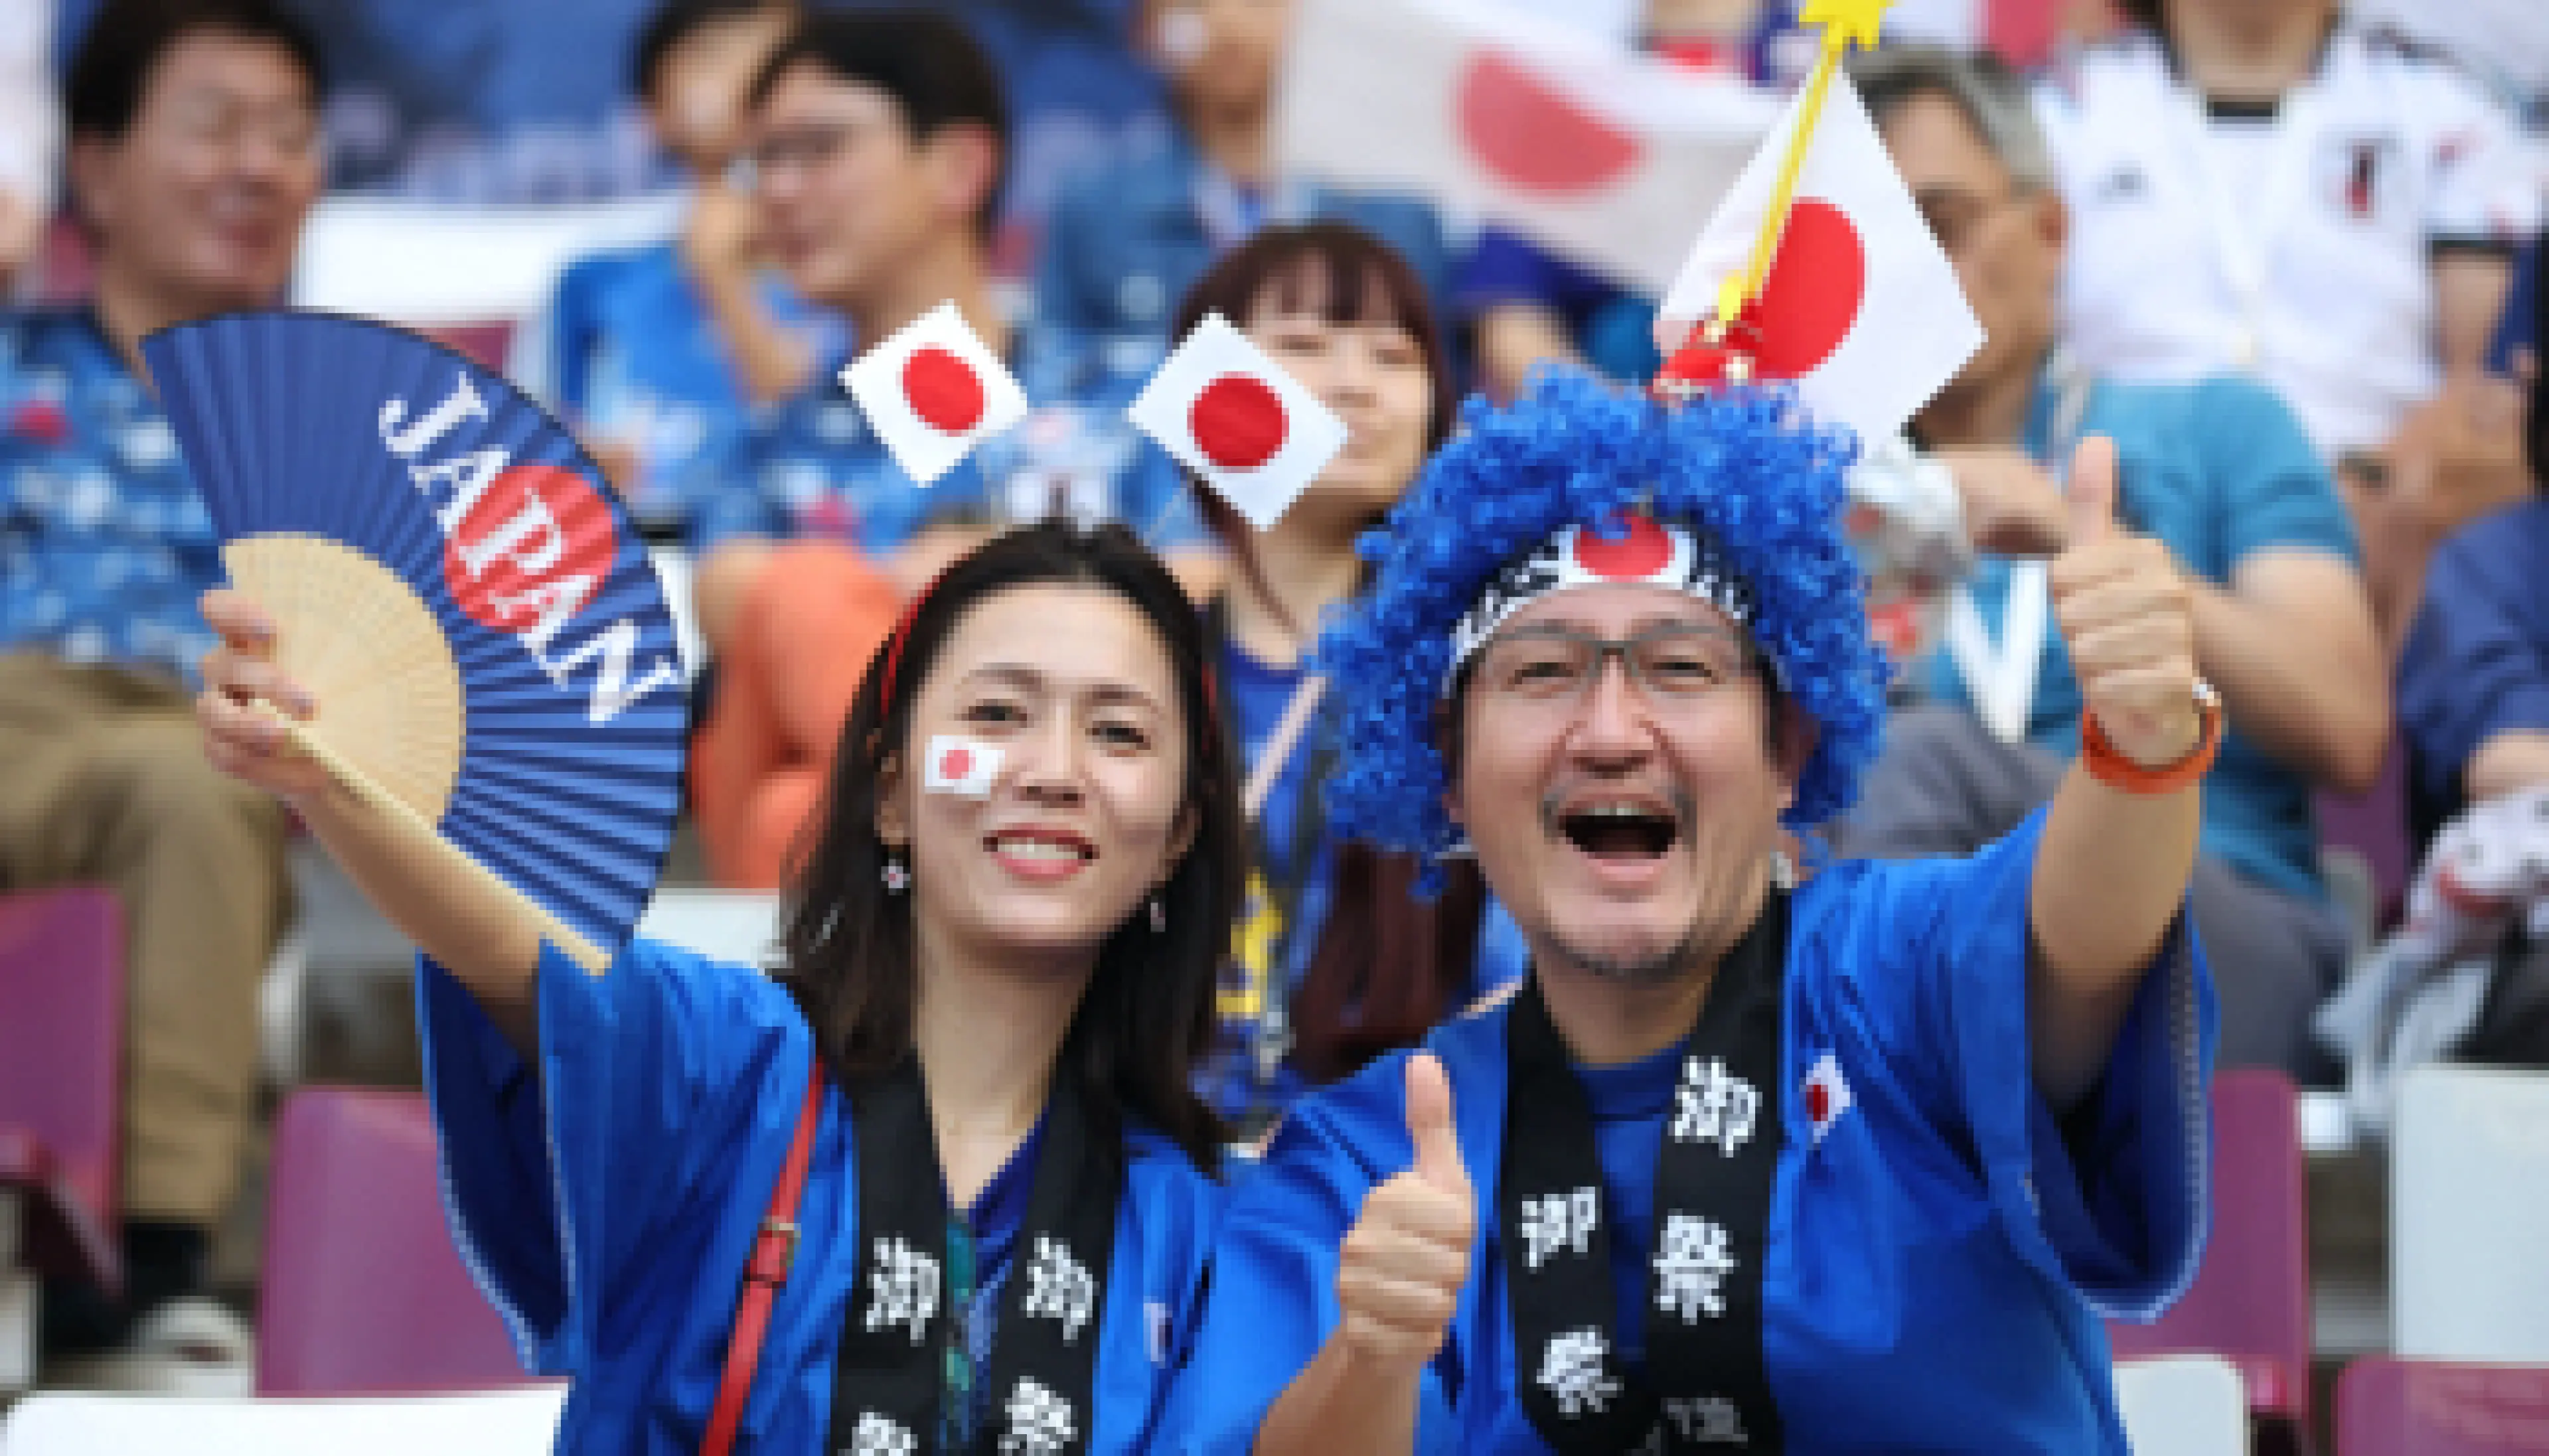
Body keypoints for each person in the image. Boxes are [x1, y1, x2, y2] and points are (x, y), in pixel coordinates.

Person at [1164, 361, 2220, 1449]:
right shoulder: (1366, 1158)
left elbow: (2084, 936)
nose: (1614, 729)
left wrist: (2142, 746)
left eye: (1679, 666)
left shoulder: (1888, 979)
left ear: (1786, 751)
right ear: (1450, 774)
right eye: (1541, 671)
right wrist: (1371, 1352)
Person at [196, 521, 1241, 1449]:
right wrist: (329, 774)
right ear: (888, 796)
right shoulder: (725, 1067)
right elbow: (512, 940)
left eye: (1119, 732)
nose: (1054, 770)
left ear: (1176, 837)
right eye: (1000, 712)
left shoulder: (1203, 1225)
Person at [1834, 44, 2382, 1078]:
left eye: (1940, 226)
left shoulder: (2219, 426)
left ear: (2050, 231)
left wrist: (2087, 544)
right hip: (1944, 923)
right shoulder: (1827, 497)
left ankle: (1873, 1160)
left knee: (1920, 759)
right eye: (1867, 242)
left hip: (2220, 919)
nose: (1904, 272)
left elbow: (2347, 720)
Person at [682, 10, 1209, 890]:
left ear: (960, 167)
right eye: (761, 160)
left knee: (796, 810)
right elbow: (729, 596)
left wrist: (1000, 582)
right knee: (796, 597)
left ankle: (937, 826)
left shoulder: (1131, 389)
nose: (776, 191)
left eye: (817, 147)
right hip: (878, 869)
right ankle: (964, 834)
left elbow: (1223, 582)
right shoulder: (770, 436)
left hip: (1079, 833)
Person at [5, 0, 323, 1384]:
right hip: (14, 700)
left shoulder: (349, 419)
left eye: (291, 134)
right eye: (211, 125)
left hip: (210, 734)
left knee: (207, 782)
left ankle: (145, 1267)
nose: (255, 166)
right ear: (92, 168)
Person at [1162, 221, 1527, 1133]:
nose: (1355, 383)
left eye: (1394, 354)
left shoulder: (1483, 674)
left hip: (1388, 1166)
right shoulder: (1132, 669)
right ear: (1202, 391)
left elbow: (1530, 981)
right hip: (1144, 1166)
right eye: (1303, 344)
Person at [2038, 0, 2540, 644]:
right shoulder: (2057, 106)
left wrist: (2320, 503)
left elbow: (2484, 389)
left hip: (2367, 521)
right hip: (2117, 505)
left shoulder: (2453, 104)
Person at [511, 0, 840, 529]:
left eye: (776, 55)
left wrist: (724, 276)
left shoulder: (856, 276)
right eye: (712, 54)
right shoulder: (594, 283)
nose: (749, 75)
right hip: (638, 565)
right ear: (651, 112)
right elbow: (523, 461)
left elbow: (851, 462)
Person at [1032, 0, 1452, 364]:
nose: (1227, 18)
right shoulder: (1094, 203)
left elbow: (1434, 397)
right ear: (1148, 31)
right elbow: (1057, 383)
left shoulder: (1398, 211)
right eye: (1193, 4)